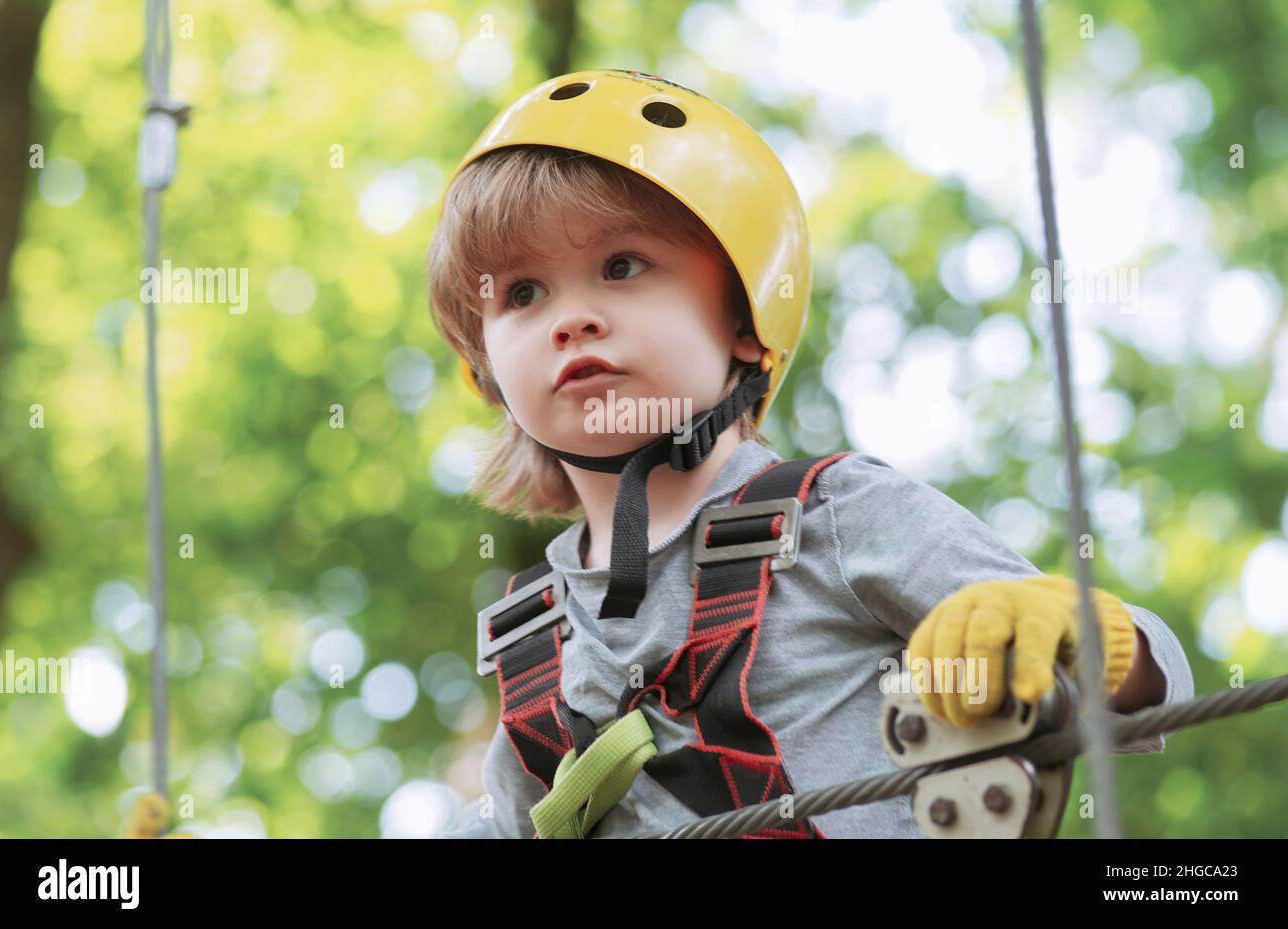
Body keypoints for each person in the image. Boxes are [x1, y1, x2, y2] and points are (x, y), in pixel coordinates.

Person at [425, 69, 1194, 839]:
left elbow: (1155, 686)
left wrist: (1081, 636)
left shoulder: (835, 515)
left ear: (744, 317)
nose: (572, 320)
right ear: (486, 366)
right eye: (522, 293)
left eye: (622, 266)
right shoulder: (532, 640)